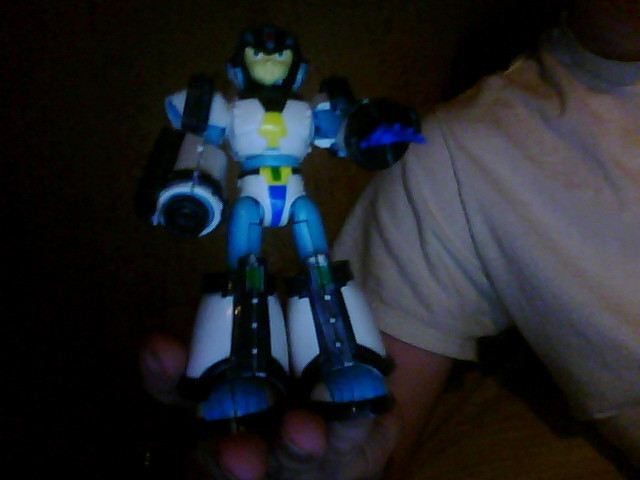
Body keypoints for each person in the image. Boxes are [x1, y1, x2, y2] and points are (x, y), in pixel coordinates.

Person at [140, 0, 640, 478]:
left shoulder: (311, 113)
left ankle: (338, 362)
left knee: (320, 275)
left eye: (278, 57)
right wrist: (187, 187)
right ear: (239, 65)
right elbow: (195, 143)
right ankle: (237, 367)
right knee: (247, 277)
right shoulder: (458, 160)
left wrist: (368, 131)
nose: (269, 64)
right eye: (259, 56)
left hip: (291, 198)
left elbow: (347, 131)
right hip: (253, 197)